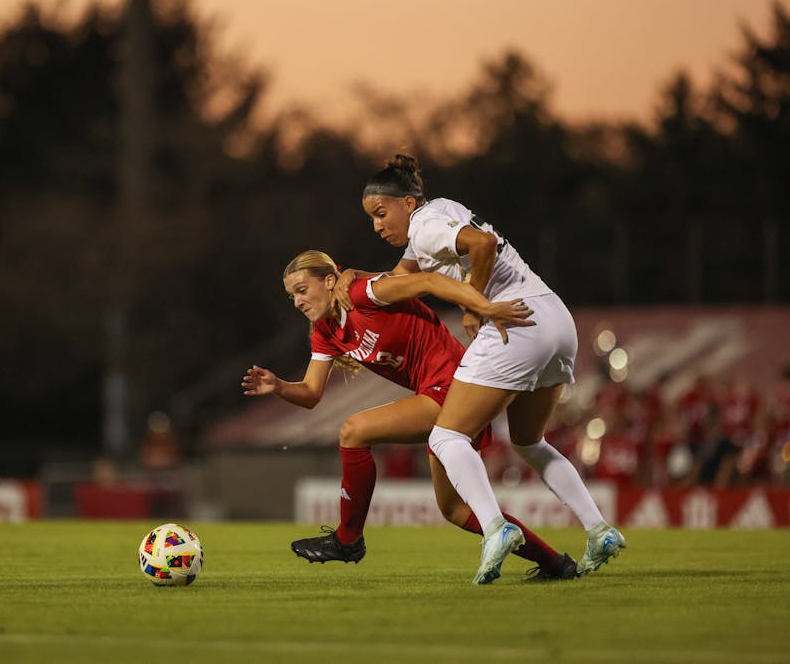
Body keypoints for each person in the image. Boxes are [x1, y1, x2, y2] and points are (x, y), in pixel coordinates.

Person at [339, 153, 626, 578]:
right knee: (529, 442)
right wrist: (350, 274)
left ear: (409, 204)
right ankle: (599, 530)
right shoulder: (436, 221)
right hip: (555, 318)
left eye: (381, 213)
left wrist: (474, 309)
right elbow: (396, 282)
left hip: (514, 321)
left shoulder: (426, 225)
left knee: (445, 436)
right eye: (371, 219)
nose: (377, 225)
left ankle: (495, 528)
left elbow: (483, 245)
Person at [243, 249, 578, 583]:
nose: (297, 302)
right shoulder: (326, 332)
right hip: (438, 395)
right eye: (291, 296)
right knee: (455, 511)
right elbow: (312, 393)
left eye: (302, 290)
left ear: (330, 281)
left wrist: (482, 308)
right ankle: (555, 564)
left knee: (353, 430)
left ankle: (348, 539)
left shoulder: (363, 293)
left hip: (457, 384)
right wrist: (279, 386)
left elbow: (430, 280)